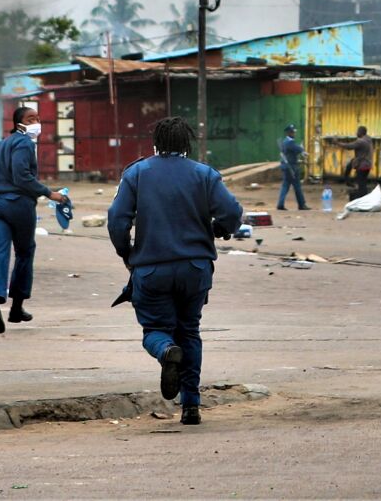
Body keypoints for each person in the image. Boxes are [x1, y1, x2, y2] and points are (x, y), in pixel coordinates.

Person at [108, 116, 243, 427]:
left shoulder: (137, 173)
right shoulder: (204, 174)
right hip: (195, 268)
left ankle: (166, 351)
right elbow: (232, 213)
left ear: (156, 144)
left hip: (151, 268)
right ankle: (191, 406)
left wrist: (127, 253)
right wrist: (219, 229)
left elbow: (117, 220)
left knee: (155, 331)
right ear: (188, 145)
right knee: (190, 331)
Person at [0, 104, 68, 334]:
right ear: (19, 124)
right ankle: (16, 307)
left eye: (38, 117)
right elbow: (22, 177)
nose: (36, 122)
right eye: (31, 118)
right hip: (18, 205)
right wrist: (49, 193)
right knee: (24, 252)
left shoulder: (0, 145)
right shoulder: (24, 143)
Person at [276, 123, 307, 212]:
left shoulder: (286, 142)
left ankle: (280, 204)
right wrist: (302, 150)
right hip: (291, 168)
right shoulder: (289, 142)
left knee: (285, 186)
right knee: (297, 186)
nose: (294, 134)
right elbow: (297, 149)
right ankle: (302, 204)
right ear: (289, 133)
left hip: (287, 167)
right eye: (292, 132)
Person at [349, 125, 375, 197]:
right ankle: (363, 197)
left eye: (357, 131)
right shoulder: (368, 140)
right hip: (367, 165)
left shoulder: (361, 141)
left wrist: (337, 143)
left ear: (361, 132)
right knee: (362, 182)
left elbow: (349, 146)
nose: (356, 133)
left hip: (362, 165)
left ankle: (363, 198)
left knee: (361, 184)